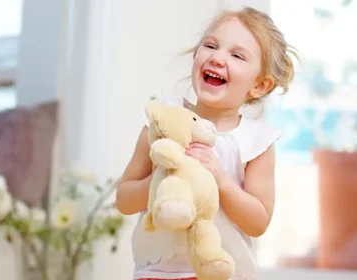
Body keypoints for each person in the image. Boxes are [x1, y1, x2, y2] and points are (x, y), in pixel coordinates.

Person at [116, 6, 299, 280]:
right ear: (195, 56)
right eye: (211, 46)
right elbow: (124, 200)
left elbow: (258, 221)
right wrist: (156, 181)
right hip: (157, 272)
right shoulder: (163, 122)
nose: (217, 58)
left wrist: (221, 179)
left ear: (259, 86)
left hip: (222, 272)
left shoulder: (255, 142)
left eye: (237, 55)